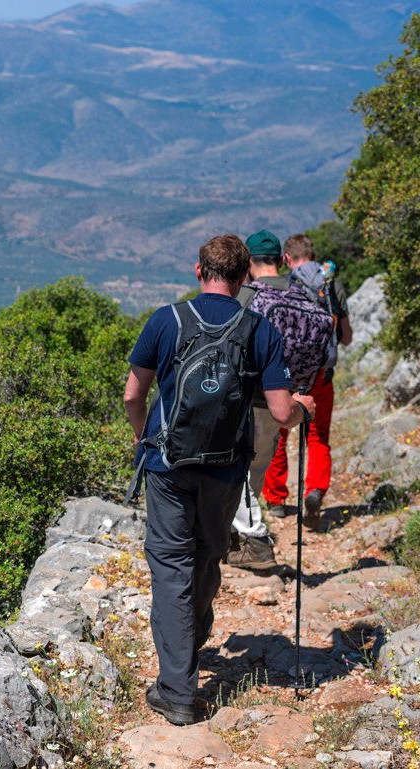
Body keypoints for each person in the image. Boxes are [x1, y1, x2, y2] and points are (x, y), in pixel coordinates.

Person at [124, 234, 315, 725]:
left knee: (170, 566)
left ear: (198, 271)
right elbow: (279, 411)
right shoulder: (259, 330)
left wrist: (145, 435)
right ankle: (192, 637)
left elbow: (132, 394)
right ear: (245, 275)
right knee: (207, 554)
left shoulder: (166, 320)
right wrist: (302, 408)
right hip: (227, 466)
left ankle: (178, 690)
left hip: (168, 466)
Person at [262, 233, 352, 531]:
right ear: (313, 255)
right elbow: (347, 336)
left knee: (280, 432)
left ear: (286, 259)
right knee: (318, 436)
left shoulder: (289, 285)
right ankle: (314, 490)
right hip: (323, 376)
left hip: (289, 375)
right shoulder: (332, 284)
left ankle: (275, 499)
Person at [226, 230, 293, 571]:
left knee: (236, 468)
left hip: (247, 397)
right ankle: (239, 535)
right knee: (256, 469)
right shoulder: (303, 295)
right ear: (282, 260)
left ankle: (255, 540)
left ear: (249, 264)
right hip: (283, 398)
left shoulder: (247, 297)